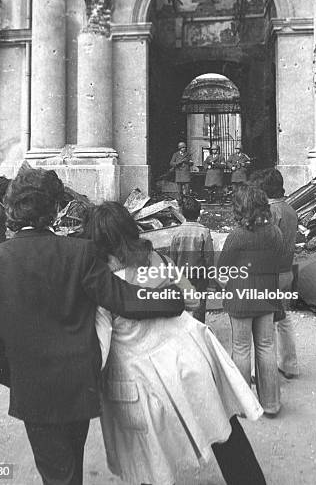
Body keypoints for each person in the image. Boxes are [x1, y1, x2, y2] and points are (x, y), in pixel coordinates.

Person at [0, 168, 185, 485]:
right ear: (56, 209)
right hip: (77, 384)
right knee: (71, 463)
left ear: (12, 209)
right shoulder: (80, 253)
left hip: (32, 388)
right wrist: (171, 297)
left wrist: (11, 375)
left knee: (57, 472)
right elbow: (123, 299)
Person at [88, 201, 266, 485]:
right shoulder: (158, 260)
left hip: (143, 379)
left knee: (149, 458)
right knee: (224, 430)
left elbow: (101, 345)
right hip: (189, 359)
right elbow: (193, 298)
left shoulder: (103, 285)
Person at [217, 184, 283, 417]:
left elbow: (222, 268)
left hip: (241, 298)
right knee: (266, 347)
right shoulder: (275, 232)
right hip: (266, 295)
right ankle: (271, 404)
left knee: (241, 349)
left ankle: (245, 405)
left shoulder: (236, 235)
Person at [249, 168, 299, 379]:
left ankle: (258, 371)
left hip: (268, 274)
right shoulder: (290, 210)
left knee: (261, 325)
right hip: (286, 271)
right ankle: (289, 365)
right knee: (283, 319)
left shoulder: (269, 213)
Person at [170, 195, 214, 323]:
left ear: (182, 213)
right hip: (199, 276)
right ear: (199, 213)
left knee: (182, 305)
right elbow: (209, 257)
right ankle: (199, 332)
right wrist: (211, 281)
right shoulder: (204, 232)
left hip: (181, 275)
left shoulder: (177, 232)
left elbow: (173, 256)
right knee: (199, 306)